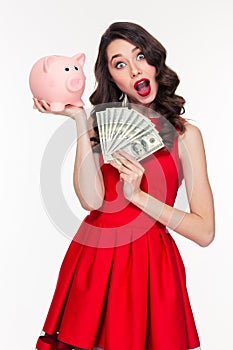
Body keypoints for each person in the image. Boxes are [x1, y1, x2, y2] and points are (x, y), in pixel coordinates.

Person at [34, 22, 215, 350]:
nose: (134, 69)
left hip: (152, 268)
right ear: (111, 77)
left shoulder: (187, 136)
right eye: (120, 64)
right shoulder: (98, 125)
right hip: (96, 258)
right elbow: (91, 200)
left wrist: (138, 195)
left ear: (155, 62)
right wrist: (79, 120)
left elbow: (204, 232)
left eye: (140, 56)